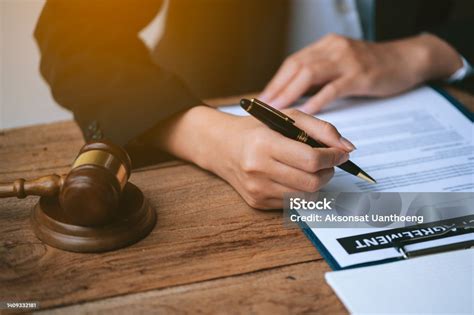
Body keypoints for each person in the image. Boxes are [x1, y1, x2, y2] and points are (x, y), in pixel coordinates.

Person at [35, 0, 473, 209]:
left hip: (423, 103)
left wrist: (430, 50)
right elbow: (74, 37)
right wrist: (205, 136)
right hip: (206, 116)